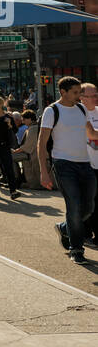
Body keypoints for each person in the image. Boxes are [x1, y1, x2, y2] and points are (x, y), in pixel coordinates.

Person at [38, 76, 98, 264]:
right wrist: (44, 171)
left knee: (89, 207)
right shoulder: (52, 111)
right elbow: (42, 143)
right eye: (75, 92)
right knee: (74, 207)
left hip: (85, 164)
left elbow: (90, 133)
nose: (79, 96)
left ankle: (65, 228)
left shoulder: (81, 109)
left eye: (80, 92)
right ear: (63, 92)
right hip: (64, 164)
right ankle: (76, 250)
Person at [79, 84, 98, 246]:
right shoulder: (78, 113)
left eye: (96, 95)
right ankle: (83, 234)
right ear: (81, 97)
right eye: (91, 96)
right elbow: (91, 134)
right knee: (88, 203)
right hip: (84, 165)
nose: (95, 98)